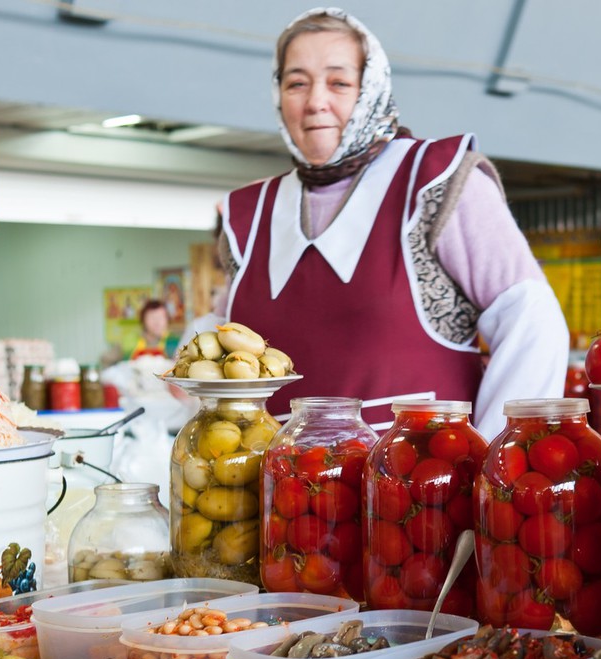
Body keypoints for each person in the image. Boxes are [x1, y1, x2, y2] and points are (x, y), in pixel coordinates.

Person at [208, 7, 569, 436]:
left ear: (372, 88)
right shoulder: (248, 215)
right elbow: (217, 343)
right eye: (295, 83)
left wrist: (493, 457)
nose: (314, 102)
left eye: (339, 83)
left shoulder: (438, 181)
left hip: (424, 491)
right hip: (282, 497)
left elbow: (531, 320)